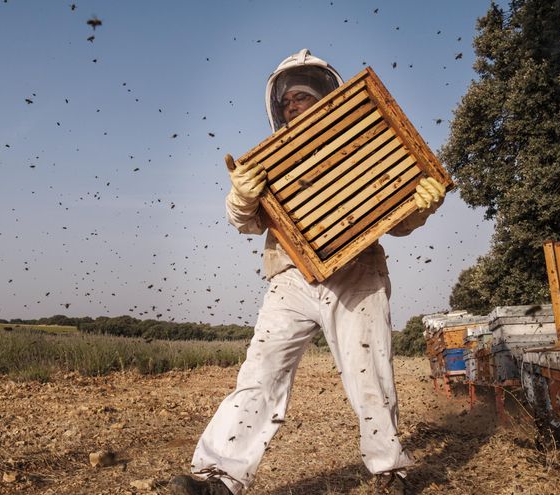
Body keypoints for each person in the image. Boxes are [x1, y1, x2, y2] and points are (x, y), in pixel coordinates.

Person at [171, 49, 445, 495]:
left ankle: (389, 471)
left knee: (370, 374)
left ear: (327, 96)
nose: (294, 107)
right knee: (260, 373)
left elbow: (395, 218)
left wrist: (420, 205)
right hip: (290, 276)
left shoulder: (363, 146)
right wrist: (241, 195)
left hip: (357, 273)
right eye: (287, 102)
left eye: (303, 96)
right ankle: (218, 477)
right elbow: (245, 221)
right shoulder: (270, 160)